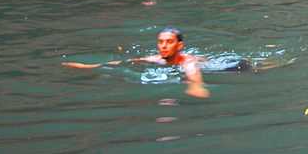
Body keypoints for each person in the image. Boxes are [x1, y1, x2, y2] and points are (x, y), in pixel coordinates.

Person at [62, 27, 210, 98]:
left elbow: (193, 73)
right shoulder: (154, 59)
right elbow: (123, 62)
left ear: (179, 46)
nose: (163, 46)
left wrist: (196, 86)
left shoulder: (188, 61)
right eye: (160, 42)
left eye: (169, 42)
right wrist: (87, 66)